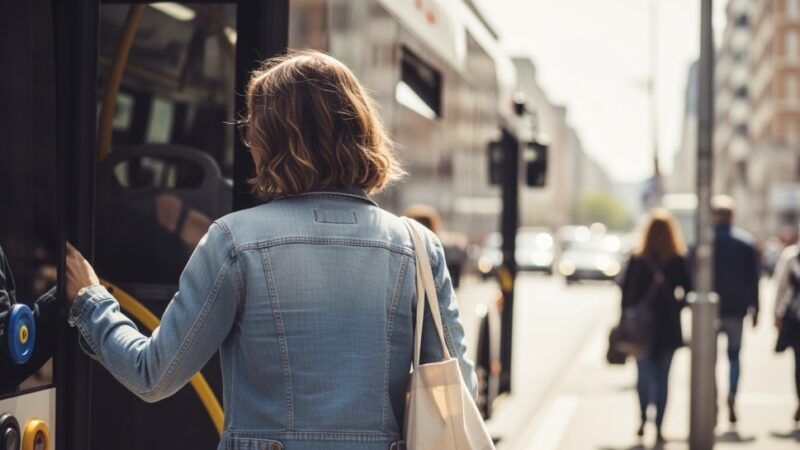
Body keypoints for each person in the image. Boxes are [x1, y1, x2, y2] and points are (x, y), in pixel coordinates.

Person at [65, 49, 477, 450]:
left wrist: (90, 301)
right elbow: (460, 389)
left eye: (253, 130)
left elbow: (153, 374)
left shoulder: (234, 241)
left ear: (273, 140)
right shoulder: (417, 248)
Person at [619, 209, 692, 444]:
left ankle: (643, 418)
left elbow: (626, 294)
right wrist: (675, 306)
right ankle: (660, 426)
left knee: (643, 377)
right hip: (668, 326)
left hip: (641, 328)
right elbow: (688, 291)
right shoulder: (677, 259)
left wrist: (624, 320)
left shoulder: (638, 259)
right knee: (663, 379)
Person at [710, 195, 760, 424]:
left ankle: (711, 398)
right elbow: (753, 279)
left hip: (710, 311)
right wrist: (755, 309)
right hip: (736, 310)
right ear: (732, 217)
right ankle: (731, 394)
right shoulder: (745, 243)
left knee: (708, 359)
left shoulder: (706, 242)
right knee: (734, 356)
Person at [773, 233, 800, 423]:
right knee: (799, 362)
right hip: (795, 319)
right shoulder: (791, 257)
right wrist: (776, 313)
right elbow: (780, 286)